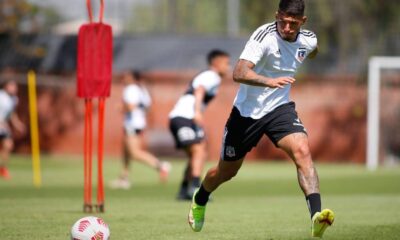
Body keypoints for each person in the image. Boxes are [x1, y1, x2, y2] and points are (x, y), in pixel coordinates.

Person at [188, 0, 335, 238]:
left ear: (303, 22)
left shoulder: (308, 39)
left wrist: (310, 52)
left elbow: (311, 49)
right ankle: (200, 196)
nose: (287, 27)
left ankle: (316, 217)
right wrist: (269, 81)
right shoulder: (264, 36)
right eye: (283, 21)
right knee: (226, 172)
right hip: (247, 113)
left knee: (302, 151)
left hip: (280, 109)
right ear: (277, 15)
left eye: (293, 24)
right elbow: (239, 72)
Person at [169, 50, 230, 200]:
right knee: (198, 150)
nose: (228, 67)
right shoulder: (212, 75)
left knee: (198, 151)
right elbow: (200, 90)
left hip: (186, 117)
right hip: (183, 117)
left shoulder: (212, 77)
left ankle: (184, 190)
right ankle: (195, 188)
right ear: (216, 62)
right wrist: (197, 112)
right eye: (226, 63)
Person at [110, 71, 171, 189]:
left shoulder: (131, 89)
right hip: (139, 123)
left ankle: (160, 165)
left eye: (126, 76)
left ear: (132, 78)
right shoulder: (142, 89)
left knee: (134, 152)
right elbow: (148, 108)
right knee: (126, 151)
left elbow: (131, 106)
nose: (124, 78)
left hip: (132, 123)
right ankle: (124, 178)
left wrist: (121, 108)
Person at [0, 80, 25, 180]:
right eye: (12, 86)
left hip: (3, 126)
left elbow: (12, 114)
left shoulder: (14, 99)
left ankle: (3, 169)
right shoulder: (1, 96)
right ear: (6, 86)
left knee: (8, 145)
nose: (14, 88)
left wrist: (18, 124)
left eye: (15, 86)